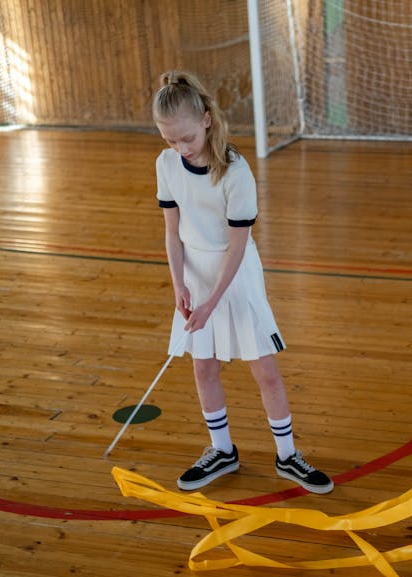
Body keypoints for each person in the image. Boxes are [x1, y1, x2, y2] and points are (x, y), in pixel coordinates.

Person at [152, 70, 333, 494]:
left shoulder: (236, 172)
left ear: (207, 119)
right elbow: (172, 232)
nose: (181, 148)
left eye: (187, 138)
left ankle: (288, 455)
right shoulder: (166, 164)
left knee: (264, 370)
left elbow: (237, 247)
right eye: (170, 140)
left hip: (235, 276)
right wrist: (179, 285)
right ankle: (222, 450)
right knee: (203, 367)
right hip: (195, 273)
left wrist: (212, 301)